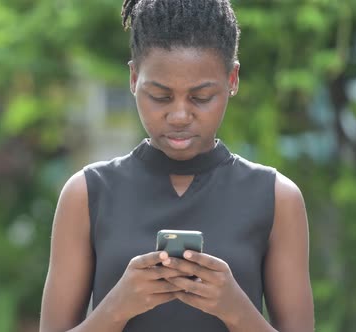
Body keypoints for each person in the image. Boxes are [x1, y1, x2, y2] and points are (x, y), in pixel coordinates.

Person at [40, 0, 315, 331]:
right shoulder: (86, 193)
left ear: (232, 79)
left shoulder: (276, 198)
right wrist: (116, 307)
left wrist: (236, 310)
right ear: (133, 78)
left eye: (201, 97)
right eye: (160, 96)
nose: (180, 116)